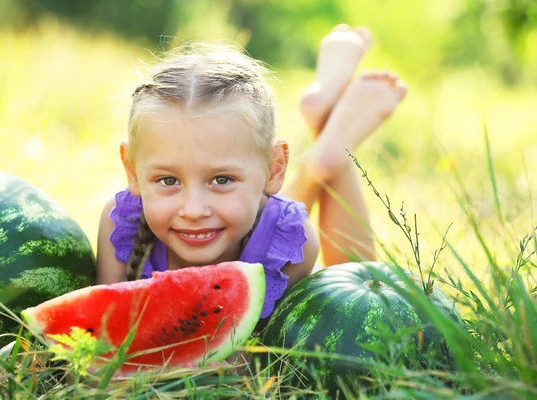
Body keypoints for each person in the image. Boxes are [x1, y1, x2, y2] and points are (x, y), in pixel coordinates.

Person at [96, 25, 407, 321]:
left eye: (221, 179)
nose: (193, 211)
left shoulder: (292, 248)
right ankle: (323, 150)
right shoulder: (120, 224)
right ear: (132, 171)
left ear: (275, 169)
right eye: (168, 180)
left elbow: (264, 349)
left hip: (276, 223)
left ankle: (327, 157)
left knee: (358, 295)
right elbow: (102, 332)